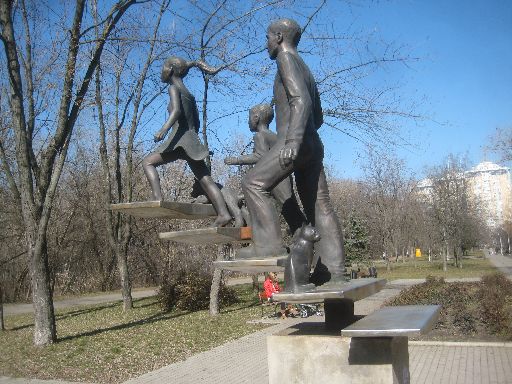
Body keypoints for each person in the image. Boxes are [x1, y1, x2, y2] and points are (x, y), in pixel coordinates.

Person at [239, 19, 346, 286]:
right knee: (320, 206)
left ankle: (266, 245)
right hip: (312, 143)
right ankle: (333, 272)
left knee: (253, 183)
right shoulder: (306, 68)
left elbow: (301, 101)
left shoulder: (285, 60)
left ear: (278, 36)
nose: (266, 44)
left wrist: (292, 140)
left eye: (267, 37)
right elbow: (317, 116)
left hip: (294, 142)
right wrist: (304, 136)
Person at [142, 57, 231, 227]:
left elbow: (175, 111)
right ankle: (224, 213)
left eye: (165, 66)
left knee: (147, 162)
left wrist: (163, 129)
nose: (162, 69)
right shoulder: (189, 94)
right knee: (205, 179)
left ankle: (157, 197)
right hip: (191, 139)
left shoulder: (173, 88)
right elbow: (196, 122)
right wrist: (194, 140)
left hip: (180, 140)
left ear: (171, 70)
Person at [224, 103, 305, 234]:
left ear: (256, 118)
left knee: (288, 209)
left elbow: (260, 156)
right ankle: (302, 232)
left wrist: (237, 160)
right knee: (289, 207)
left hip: (275, 178)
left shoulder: (260, 135)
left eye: (249, 118)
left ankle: (303, 233)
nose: (248, 122)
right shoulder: (274, 135)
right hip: (283, 176)